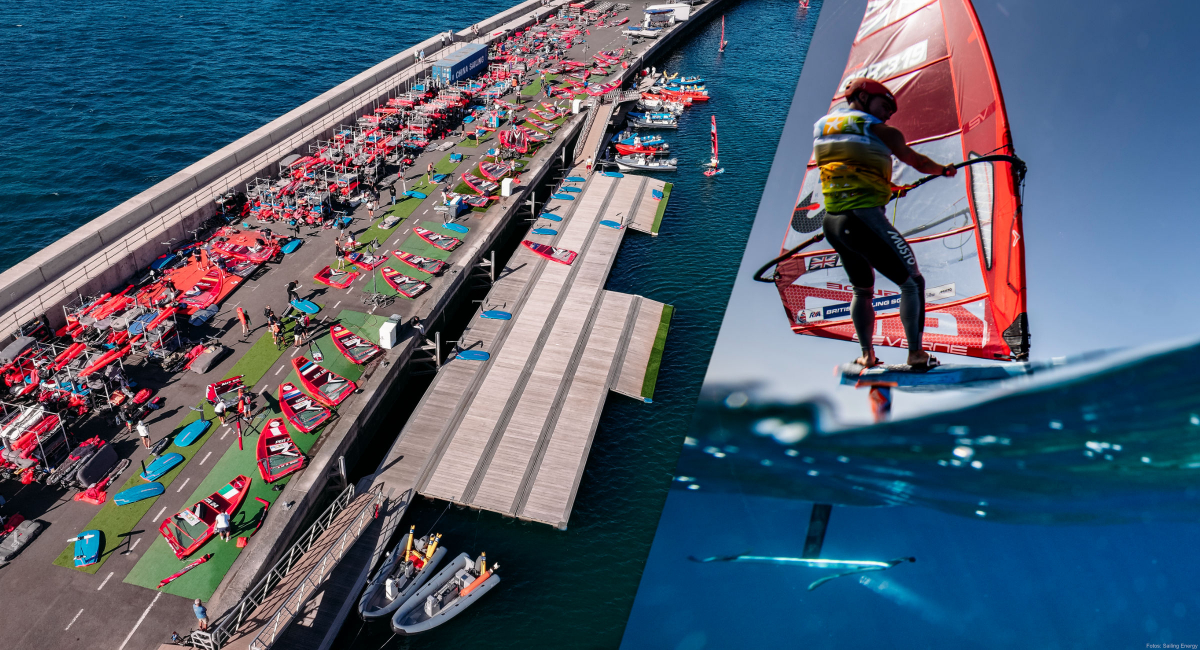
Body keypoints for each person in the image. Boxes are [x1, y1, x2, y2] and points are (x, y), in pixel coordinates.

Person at [814, 78, 957, 370]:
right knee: (913, 283)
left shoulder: (823, 129)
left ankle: (867, 355)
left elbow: (850, 168)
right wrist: (942, 169)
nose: (889, 114)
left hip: (833, 223)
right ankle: (916, 354)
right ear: (864, 97)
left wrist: (888, 187)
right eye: (885, 105)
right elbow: (913, 158)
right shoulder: (881, 130)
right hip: (863, 219)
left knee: (862, 290)